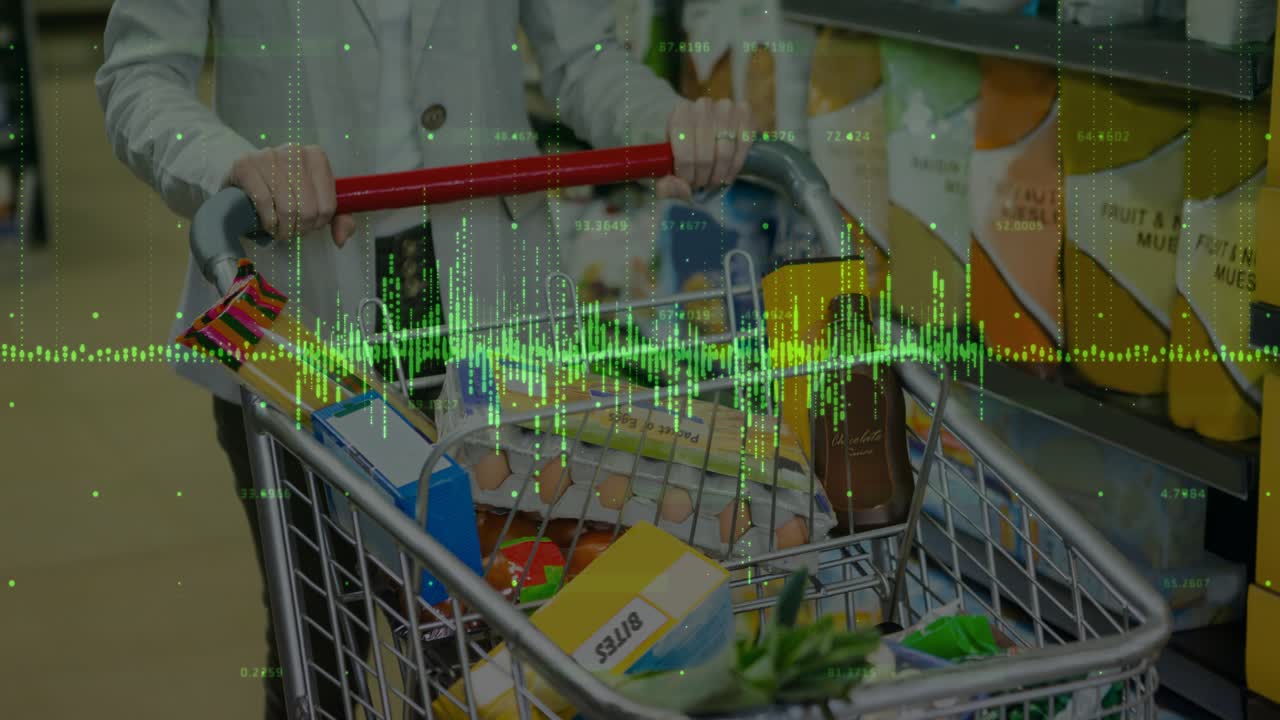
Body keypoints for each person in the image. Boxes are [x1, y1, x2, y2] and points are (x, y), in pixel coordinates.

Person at [96, 1, 753, 718]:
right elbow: (140, 75)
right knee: (322, 642)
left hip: (489, 311)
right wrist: (231, 165)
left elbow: (584, 55)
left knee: (487, 648)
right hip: (298, 323)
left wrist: (667, 124)